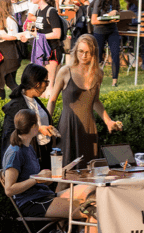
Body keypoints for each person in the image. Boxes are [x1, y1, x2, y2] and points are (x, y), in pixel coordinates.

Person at [2, 109, 95, 233]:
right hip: (32, 203)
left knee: (92, 192)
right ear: (34, 126)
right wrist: (37, 179)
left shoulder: (28, 146)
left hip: (45, 196)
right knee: (92, 211)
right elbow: (9, 189)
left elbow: (37, 179)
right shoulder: (15, 152)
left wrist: (51, 176)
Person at [47, 34, 123, 168]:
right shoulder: (65, 71)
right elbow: (52, 100)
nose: (84, 56)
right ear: (76, 51)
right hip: (68, 127)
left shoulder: (98, 73)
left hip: (89, 126)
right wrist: (46, 123)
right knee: (65, 171)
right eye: (81, 51)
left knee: (89, 172)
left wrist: (108, 121)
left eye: (88, 52)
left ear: (94, 53)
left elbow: (95, 101)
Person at [1, 65, 55, 169]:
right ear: (37, 84)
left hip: (44, 152)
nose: (47, 85)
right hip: (29, 158)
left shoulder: (35, 101)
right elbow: (11, 135)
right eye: (46, 82)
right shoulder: (15, 107)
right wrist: (39, 129)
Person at [21, 0, 63, 94]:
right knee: (42, 85)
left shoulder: (51, 11)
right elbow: (40, 31)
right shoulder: (39, 11)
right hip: (43, 51)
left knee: (49, 85)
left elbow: (57, 34)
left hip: (52, 51)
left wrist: (39, 36)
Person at [91, 0, 122, 87]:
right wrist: (109, 17)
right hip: (100, 30)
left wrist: (116, 14)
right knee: (98, 57)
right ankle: (94, 80)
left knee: (115, 53)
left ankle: (115, 81)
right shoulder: (99, 0)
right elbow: (93, 21)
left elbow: (118, 17)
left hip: (112, 30)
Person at [0, 0, 21, 99]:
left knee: (9, 80)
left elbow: (14, 36)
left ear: (1, 5)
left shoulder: (10, 20)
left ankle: (22, 100)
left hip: (9, 53)